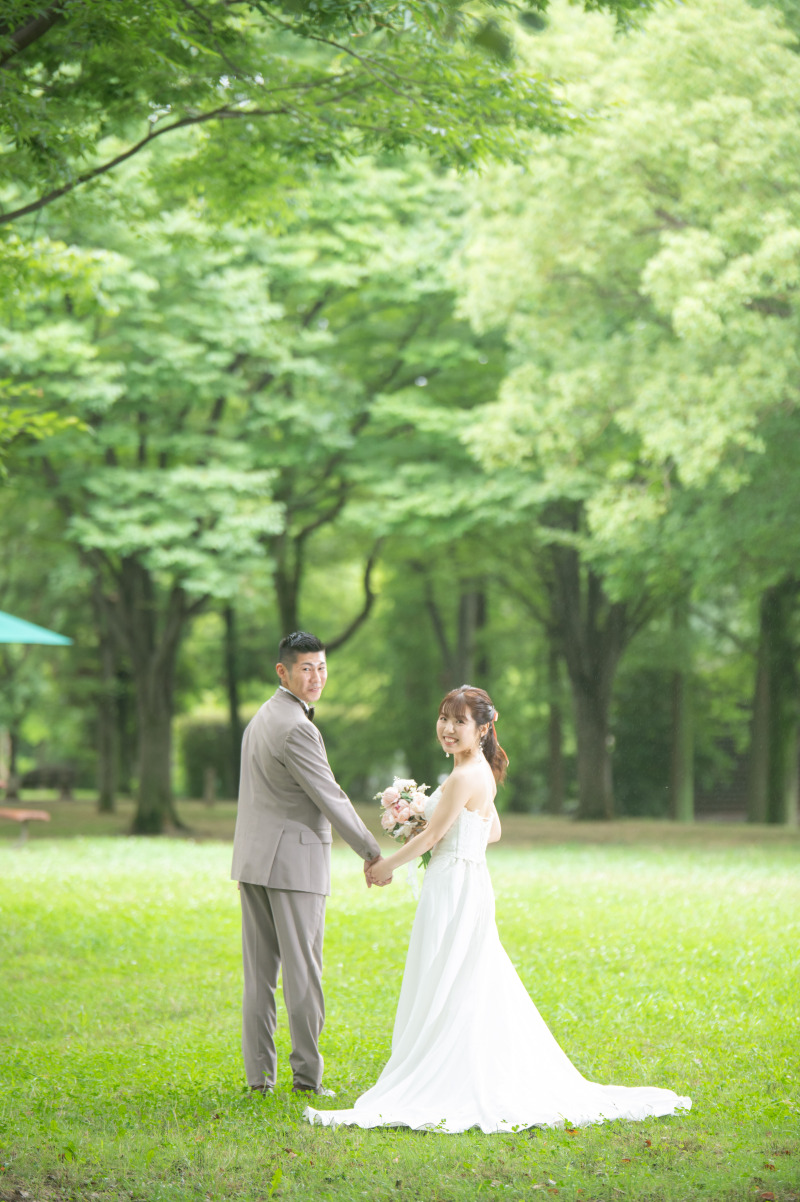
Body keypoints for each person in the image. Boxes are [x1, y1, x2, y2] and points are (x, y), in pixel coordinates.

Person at [305, 684, 691, 1132]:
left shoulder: (463, 777)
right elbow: (493, 831)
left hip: (453, 883)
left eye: (459, 721)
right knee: (460, 974)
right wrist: (440, 827)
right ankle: (457, 1059)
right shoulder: (480, 772)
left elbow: (433, 837)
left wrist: (385, 865)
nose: (448, 728)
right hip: (469, 880)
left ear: (483, 729)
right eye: (444, 718)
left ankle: (448, 1071)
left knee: (448, 973)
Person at [231, 631, 390, 1097]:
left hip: (253, 861)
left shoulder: (262, 717)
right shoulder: (298, 727)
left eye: (321, 667)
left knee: (259, 977)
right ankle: (307, 1080)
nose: (317, 677)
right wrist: (373, 852)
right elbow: (331, 797)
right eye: (306, 668)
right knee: (303, 974)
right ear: (283, 671)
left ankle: (259, 1080)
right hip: (293, 864)